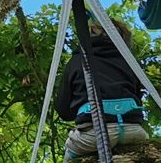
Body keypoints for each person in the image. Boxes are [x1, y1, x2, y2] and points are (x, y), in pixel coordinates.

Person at [55, 18, 150, 160]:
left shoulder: (77, 61)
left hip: (94, 134)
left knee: (69, 156)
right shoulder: (130, 62)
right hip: (133, 130)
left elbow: (63, 110)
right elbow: (137, 96)